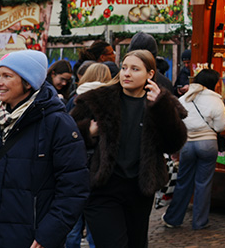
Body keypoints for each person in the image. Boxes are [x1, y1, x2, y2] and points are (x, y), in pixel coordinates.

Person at [0, 50, 89, 248]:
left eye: (7, 76)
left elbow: (73, 188)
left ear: (28, 83)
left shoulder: (57, 124)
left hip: (32, 239)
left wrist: (49, 234)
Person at [71, 49, 187, 248]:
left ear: (150, 74)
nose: (126, 73)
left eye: (135, 69)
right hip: (104, 186)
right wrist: (88, 132)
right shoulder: (99, 99)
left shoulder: (160, 103)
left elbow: (174, 143)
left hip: (139, 189)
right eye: (124, 68)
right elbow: (68, 134)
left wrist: (161, 107)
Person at [162, 68, 225, 231]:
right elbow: (222, 125)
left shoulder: (184, 98)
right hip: (207, 144)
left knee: (183, 181)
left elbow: (177, 121)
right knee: (203, 183)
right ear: (214, 84)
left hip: (187, 144)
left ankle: (173, 218)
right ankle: (200, 222)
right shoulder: (215, 100)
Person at [64, 62, 112, 248]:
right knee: (96, 225)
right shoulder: (110, 100)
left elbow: (66, 131)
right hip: (101, 166)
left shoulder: (75, 99)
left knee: (73, 222)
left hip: (76, 165)